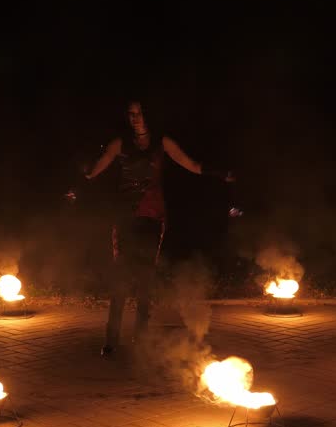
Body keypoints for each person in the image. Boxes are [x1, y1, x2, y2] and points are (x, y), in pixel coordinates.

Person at [83, 100, 234, 357]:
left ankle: (141, 338)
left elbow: (191, 164)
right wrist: (83, 174)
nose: (135, 118)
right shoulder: (119, 144)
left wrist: (219, 173)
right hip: (125, 218)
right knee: (120, 280)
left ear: (148, 115)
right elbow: (96, 168)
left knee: (145, 280)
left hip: (152, 217)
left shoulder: (162, 143)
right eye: (131, 114)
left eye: (139, 113)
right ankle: (111, 340)